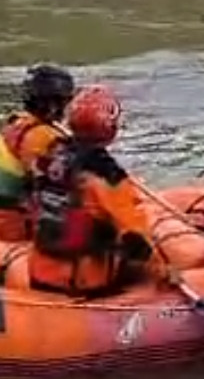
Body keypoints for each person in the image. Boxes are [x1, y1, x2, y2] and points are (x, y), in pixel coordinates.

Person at [26, 84, 171, 297]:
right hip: (81, 280)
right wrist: (165, 270)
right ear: (110, 128)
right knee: (136, 247)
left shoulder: (52, 153)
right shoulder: (108, 175)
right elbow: (135, 239)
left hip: (38, 272)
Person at [0, 64, 75, 243]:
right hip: (17, 227)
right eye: (65, 101)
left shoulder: (19, 123)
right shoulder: (41, 137)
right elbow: (61, 189)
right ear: (53, 103)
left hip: (3, 218)